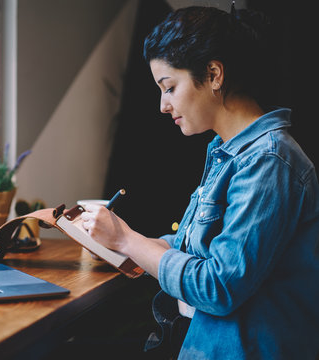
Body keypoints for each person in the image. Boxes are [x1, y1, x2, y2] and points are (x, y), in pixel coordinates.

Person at [80, 5, 319, 360]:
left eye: (169, 87)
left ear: (213, 74)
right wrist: (119, 243)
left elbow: (219, 287)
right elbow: (197, 248)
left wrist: (127, 240)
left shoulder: (269, 162)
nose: (163, 105)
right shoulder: (228, 152)